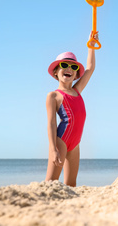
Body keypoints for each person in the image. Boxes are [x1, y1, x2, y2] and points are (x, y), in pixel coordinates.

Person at [45, 31, 98, 187]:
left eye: (73, 66)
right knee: (51, 182)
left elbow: (90, 68)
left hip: (75, 143)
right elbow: (51, 124)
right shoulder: (53, 96)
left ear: (76, 75)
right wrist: (53, 148)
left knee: (71, 185)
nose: (69, 68)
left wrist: (91, 46)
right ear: (56, 72)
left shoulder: (77, 90)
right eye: (64, 65)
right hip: (61, 141)